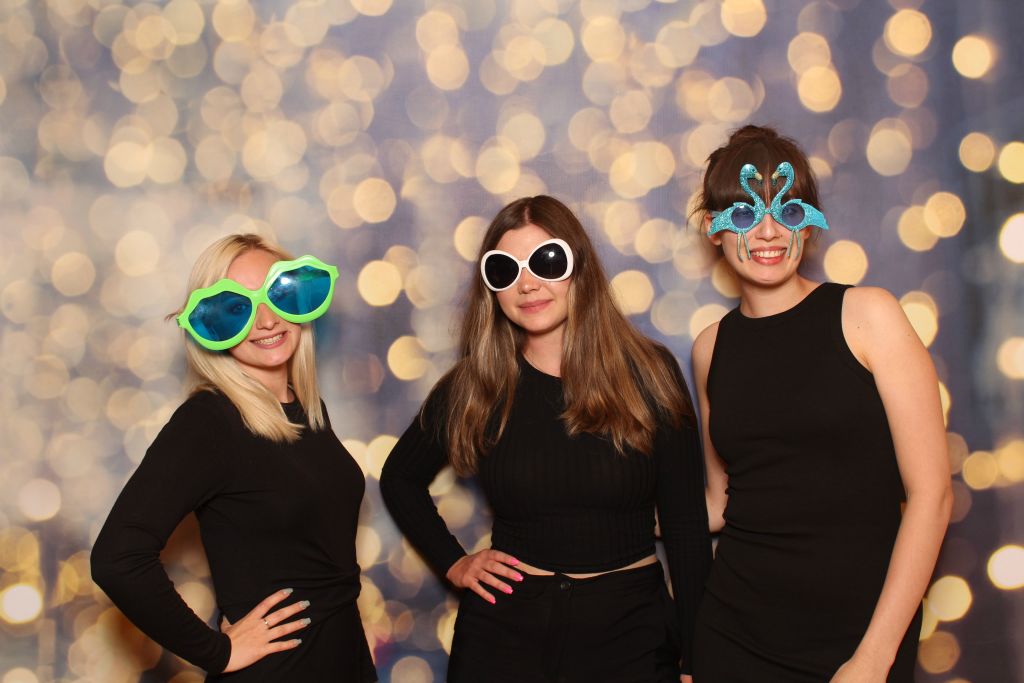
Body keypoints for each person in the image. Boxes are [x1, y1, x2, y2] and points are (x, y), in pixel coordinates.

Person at [380, 195, 712, 682]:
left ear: (579, 267)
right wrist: (453, 563)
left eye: (546, 261)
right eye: (504, 270)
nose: (527, 283)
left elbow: (685, 527)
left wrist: (698, 661)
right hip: (502, 642)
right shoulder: (476, 385)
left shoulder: (649, 373)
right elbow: (399, 477)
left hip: (631, 638)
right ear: (491, 288)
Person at [689, 125, 952, 682]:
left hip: (859, 638)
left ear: (808, 223)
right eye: (744, 213)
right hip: (734, 634)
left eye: (787, 211)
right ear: (713, 228)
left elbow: (932, 495)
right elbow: (718, 501)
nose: (767, 232)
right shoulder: (711, 347)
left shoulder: (869, 316)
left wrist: (873, 658)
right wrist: (581, 516)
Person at [91, 234, 376, 682]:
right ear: (212, 323)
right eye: (237, 307)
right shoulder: (209, 421)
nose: (266, 319)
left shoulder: (305, 409)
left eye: (278, 294)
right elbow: (117, 557)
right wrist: (217, 653)